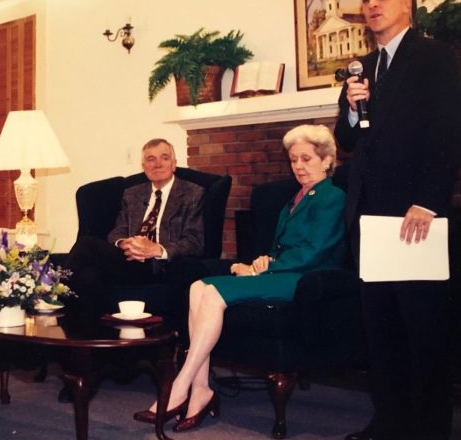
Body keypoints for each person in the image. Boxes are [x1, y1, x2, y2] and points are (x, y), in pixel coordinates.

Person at [134, 124, 346, 433]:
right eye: (293, 159)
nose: (299, 166)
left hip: (307, 279)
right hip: (284, 271)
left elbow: (313, 252)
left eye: (307, 159)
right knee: (197, 287)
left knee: (213, 292)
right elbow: (284, 247)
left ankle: (181, 385)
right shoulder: (297, 197)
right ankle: (202, 388)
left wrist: (263, 269)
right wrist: (264, 260)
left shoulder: (331, 196)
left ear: (327, 160)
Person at [334, 0, 461, 440]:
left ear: (406, 3)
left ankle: (428, 430)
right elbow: (346, 140)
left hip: (415, 217)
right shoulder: (362, 68)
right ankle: (389, 422)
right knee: (381, 332)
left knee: (422, 329)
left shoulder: (433, 57)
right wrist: (350, 105)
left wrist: (428, 202)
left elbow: (448, 133)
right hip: (370, 218)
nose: (371, 4)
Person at [65, 138, 206, 319]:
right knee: (88, 276)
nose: (157, 164)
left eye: (164, 158)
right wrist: (126, 244)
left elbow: (194, 241)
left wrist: (157, 249)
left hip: (163, 264)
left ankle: (54, 293)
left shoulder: (193, 193)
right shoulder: (132, 193)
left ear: (173, 164)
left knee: (86, 245)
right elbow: (117, 231)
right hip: (129, 260)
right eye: (150, 159)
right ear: (144, 167)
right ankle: (83, 340)